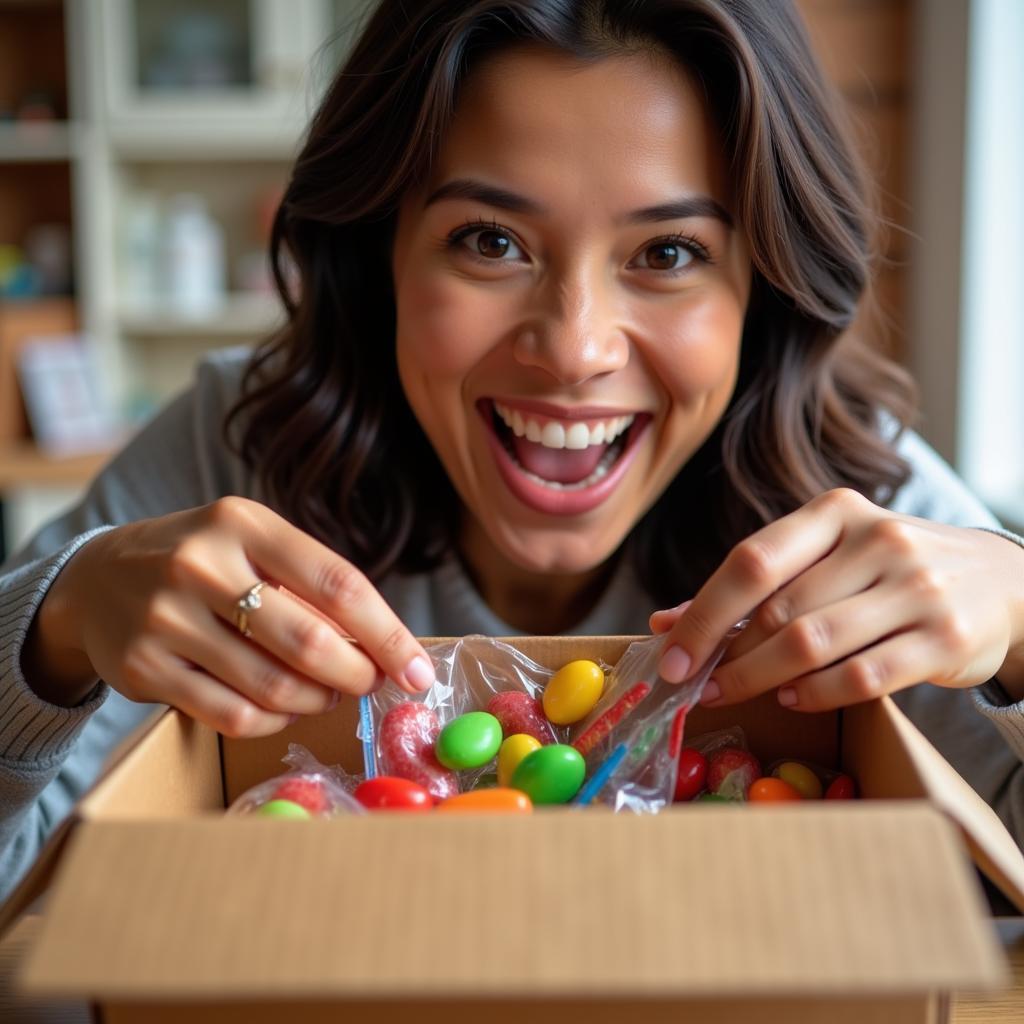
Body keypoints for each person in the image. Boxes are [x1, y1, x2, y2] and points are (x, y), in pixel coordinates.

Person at [2, 0, 1023, 903]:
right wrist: (56, 630)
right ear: (380, 252)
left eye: (668, 254)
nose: (574, 348)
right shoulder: (240, 444)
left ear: (760, 291)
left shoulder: (849, 488)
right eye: (490, 240)